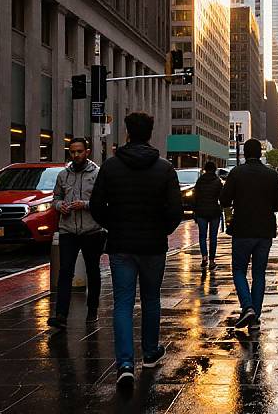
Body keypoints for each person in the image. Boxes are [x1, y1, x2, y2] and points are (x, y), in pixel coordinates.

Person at [90, 112, 183, 387]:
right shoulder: (165, 169)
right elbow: (176, 211)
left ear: (127, 133)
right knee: (151, 299)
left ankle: (125, 363)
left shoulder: (110, 167)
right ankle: (150, 353)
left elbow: (96, 206)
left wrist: (114, 225)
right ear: (150, 134)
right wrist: (162, 229)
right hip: (153, 245)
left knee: (123, 303)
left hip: (121, 244)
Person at [220, 139, 278, 332]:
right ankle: (255, 316)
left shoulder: (236, 173)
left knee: (239, 270)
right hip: (264, 230)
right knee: (259, 274)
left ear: (244, 153)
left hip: (242, 229)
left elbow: (224, 199)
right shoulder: (272, 175)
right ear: (261, 153)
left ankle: (247, 306)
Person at [47, 138, 105, 329]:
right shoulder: (63, 175)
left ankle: (92, 310)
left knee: (92, 271)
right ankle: (61, 315)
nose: (76, 155)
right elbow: (56, 196)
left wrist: (85, 204)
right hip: (68, 230)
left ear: (86, 152)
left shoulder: (97, 174)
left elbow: (103, 202)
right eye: (72, 152)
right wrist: (59, 205)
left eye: (79, 151)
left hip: (91, 230)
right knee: (65, 271)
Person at [194, 161, 223, 271]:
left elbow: (195, 197)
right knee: (213, 237)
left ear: (205, 169)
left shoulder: (200, 181)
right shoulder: (217, 181)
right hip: (214, 211)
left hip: (201, 211)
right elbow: (222, 197)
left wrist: (195, 211)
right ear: (215, 169)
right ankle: (212, 260)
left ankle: (204, 257)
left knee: (202, 236)